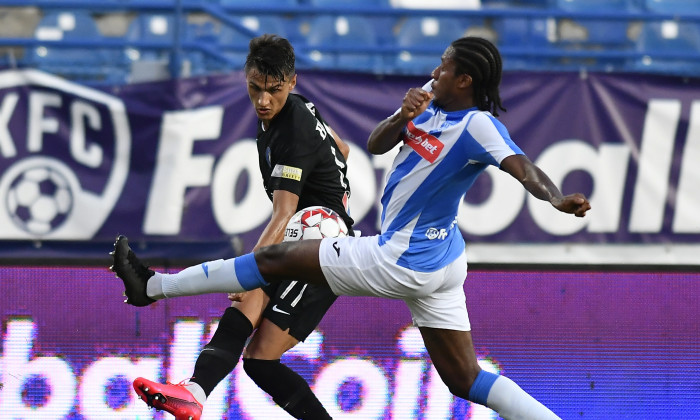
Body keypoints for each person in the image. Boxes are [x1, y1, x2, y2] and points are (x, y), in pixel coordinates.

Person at [113, 36, 591, 420]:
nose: (436, 69)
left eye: (445, 65)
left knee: (270, 259)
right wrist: (402, 116)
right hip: (442, 260)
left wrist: (557, 199)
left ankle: (152, 287)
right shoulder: (428, 101)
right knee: (463, 379)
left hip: (400, 258)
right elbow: (374, 143)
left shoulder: (478, 125)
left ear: (464, 79)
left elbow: (520, 165)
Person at [122, 34, 354, 420]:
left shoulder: (292, 131)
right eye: (255, 88)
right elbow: (341, 150)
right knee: (259, 360)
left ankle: (154, 290)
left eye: (274, 91)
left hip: (320, 243)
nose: (263, 100)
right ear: (247, 78)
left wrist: (247, 272)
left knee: (252, 309)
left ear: (292, 82)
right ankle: (194, 392)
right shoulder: (294, 108)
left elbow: (282, 214)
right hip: (308, 232)